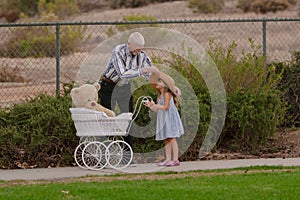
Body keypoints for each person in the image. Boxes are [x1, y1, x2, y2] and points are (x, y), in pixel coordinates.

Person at [98, 32, 160, 164]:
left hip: (124, 88)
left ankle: (127, 156)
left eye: (141, 48)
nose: (139, 51)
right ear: (129, 44)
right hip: (108, 86)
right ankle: (105, 156)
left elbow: (151, 74)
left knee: (128, 118)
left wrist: (165, 87)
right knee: (106, 118)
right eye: (137, 48)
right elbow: (123, 73)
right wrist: (142, 71)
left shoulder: (141, 56)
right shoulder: (118, 51)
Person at [144, 72, 184, 167]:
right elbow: (157, 109)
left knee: (171, 138)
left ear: (165, 84)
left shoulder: (167, 94)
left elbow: (165, 107)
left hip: (169, 118)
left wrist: (155, 105)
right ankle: (168, 159)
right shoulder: (159, 96)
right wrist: (151, 106)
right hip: (163, 118)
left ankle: (175, 159)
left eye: (160, 81)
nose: (157, 83)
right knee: (166, 139)